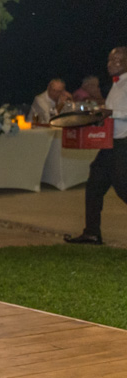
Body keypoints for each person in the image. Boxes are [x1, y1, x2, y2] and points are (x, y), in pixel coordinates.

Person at [66, 48, 127, 245]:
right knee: (94, 185)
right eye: (109, 60)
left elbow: (120, 113)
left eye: (117, 60)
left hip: (123, 143)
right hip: (110, 143)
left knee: (122, 187)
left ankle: (92, 232)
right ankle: (92, 232)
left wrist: (109, 113)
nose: (111, 64)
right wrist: (100, 115)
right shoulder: (116, 84)